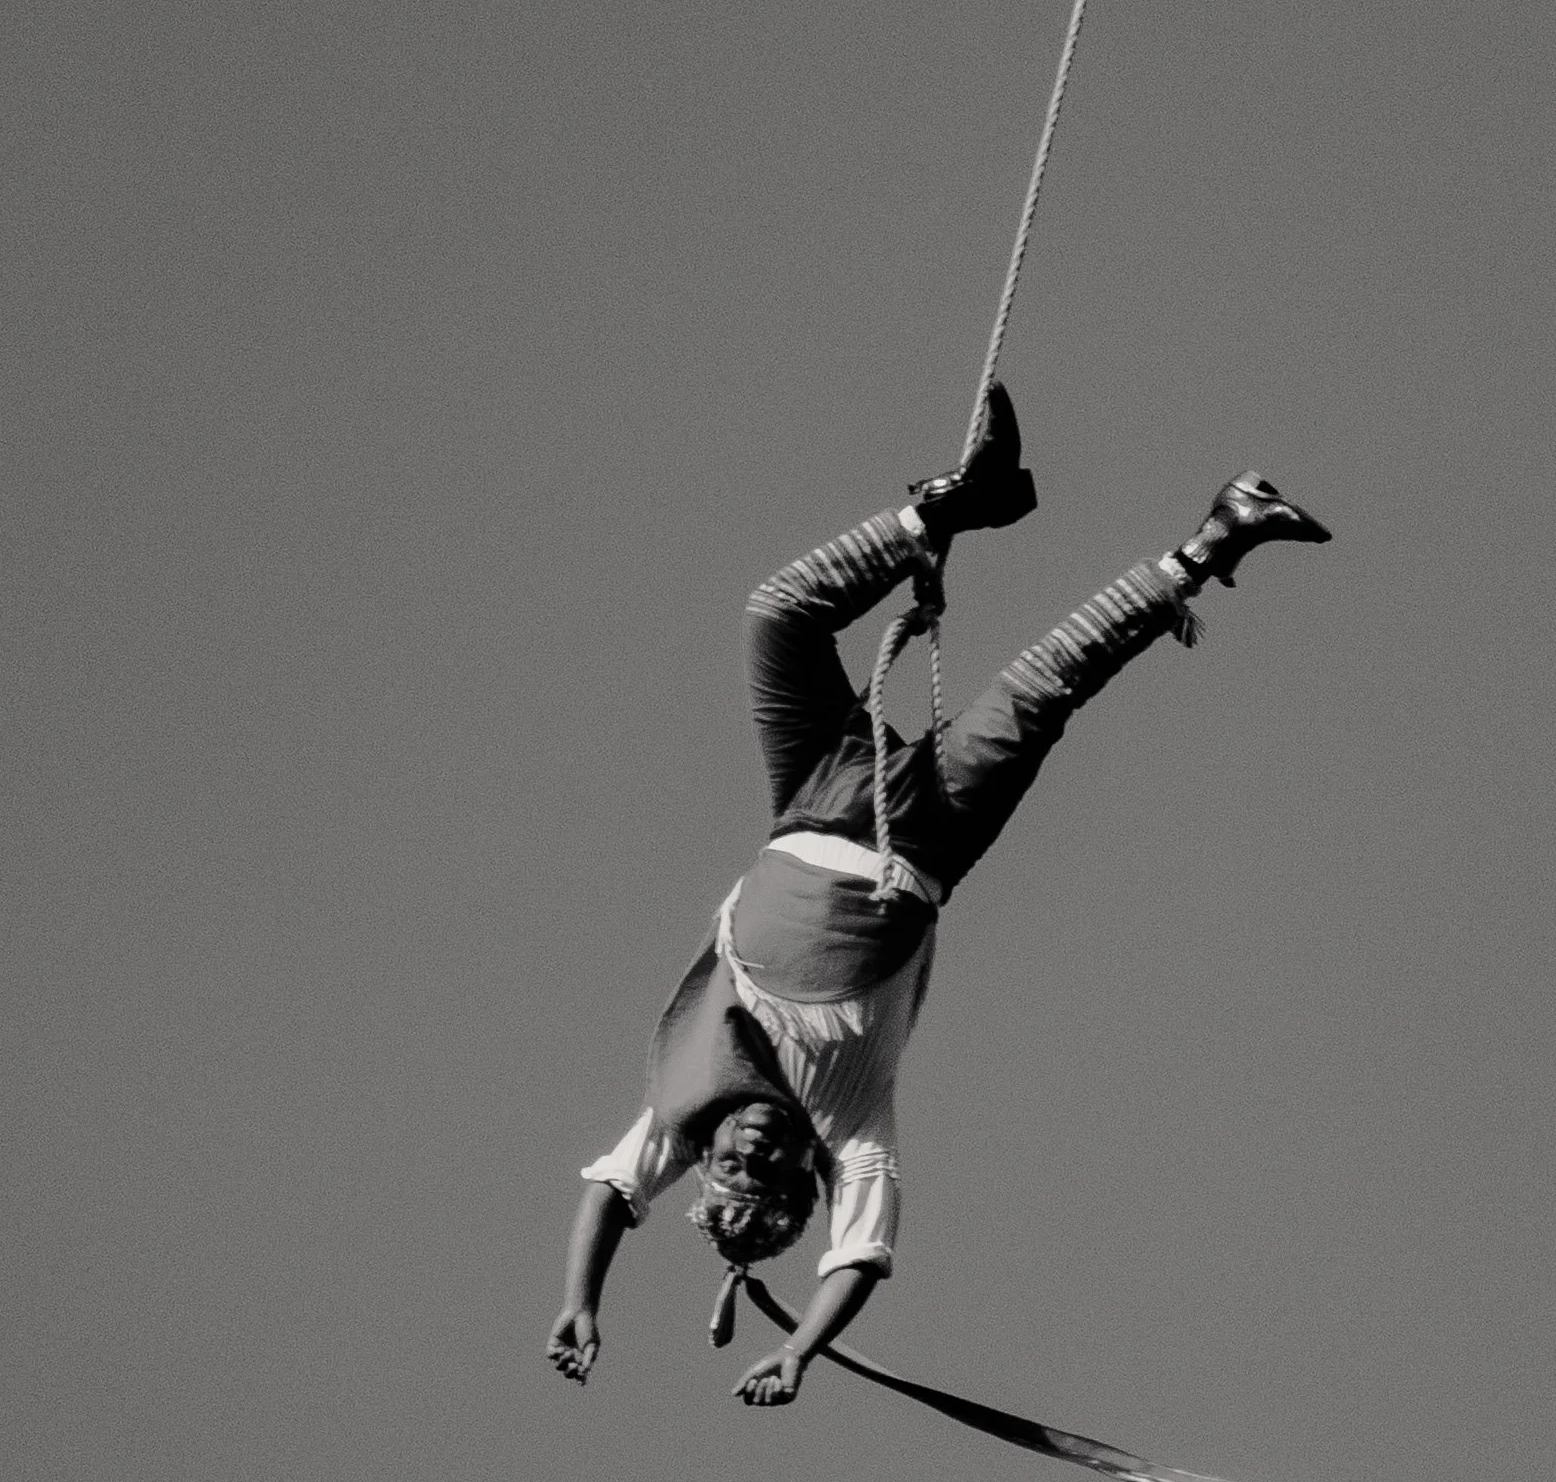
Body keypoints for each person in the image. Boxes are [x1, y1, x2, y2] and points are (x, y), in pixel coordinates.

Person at [548, 390, 1328, 1405]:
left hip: (814, 795)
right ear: (799, 1176)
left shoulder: (681, 1108)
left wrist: (582, 1298)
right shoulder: (846, 1118)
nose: (757, 1143)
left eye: (738, 1159)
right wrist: (799, 1351)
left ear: (709, 1162)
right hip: (926, 842)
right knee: (1044, 685)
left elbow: (610, 1192)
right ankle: (1216, 537)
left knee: (777, 614)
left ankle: (953, 505)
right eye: (774, 1166)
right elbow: (859, 1253)